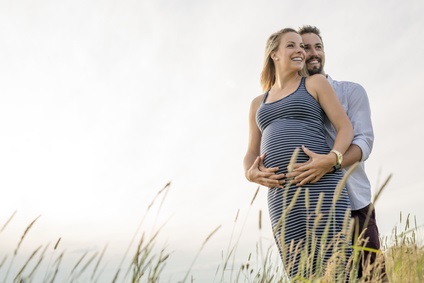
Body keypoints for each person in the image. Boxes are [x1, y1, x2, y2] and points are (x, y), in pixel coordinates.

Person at [243, 27, 354, 280]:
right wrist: (251, 174)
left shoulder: (315, 83)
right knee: (300, 273)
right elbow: (250, 152)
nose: (300, 51)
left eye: (302, 47)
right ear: (274, 54)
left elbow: (345, 127)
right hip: (281, 196)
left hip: (322, 186)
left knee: (338, 270)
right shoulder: (257, 104)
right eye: (292, 45)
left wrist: (332, 158)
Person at [280, 25, 384, 280]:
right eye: (305, 47)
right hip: (309, 207)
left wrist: (331, 162)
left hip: (354, 204)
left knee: (372, 277)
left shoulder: (351, 91)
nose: (313, 53)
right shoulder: (288, 100)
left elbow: (364, 141)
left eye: (318, 47)